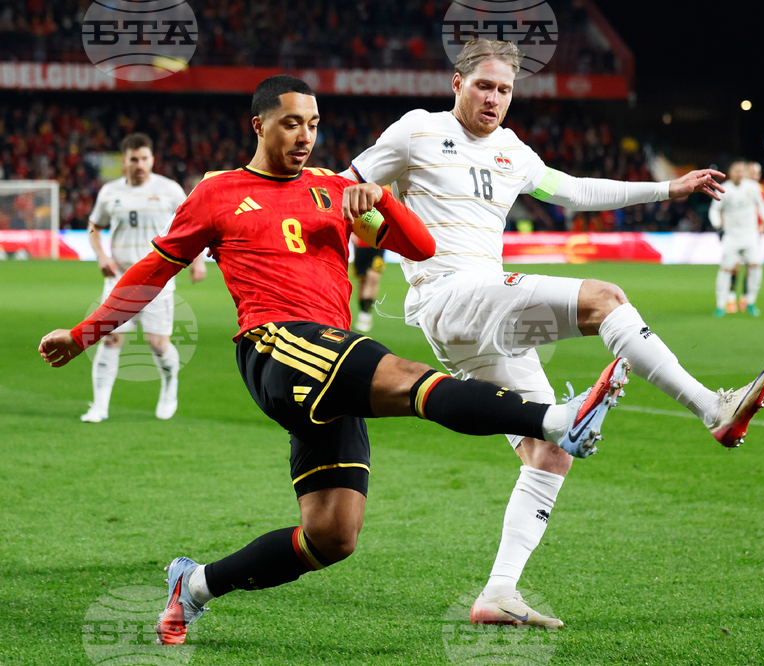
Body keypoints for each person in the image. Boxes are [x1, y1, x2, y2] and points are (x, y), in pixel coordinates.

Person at [38, 75, 629, 645]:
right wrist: (86, 332)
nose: (305, 137)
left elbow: (419, 247)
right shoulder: (216, 193)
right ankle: (556, 420)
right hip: (277, 345)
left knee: (331, 536)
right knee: (409, 379)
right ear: (259, 125)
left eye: (314, 125)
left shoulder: (331, 187)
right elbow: (153, 270)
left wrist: (381, 205)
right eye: (291, 124)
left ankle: (192, 586)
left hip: (330, 362)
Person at [340, 39, 764, 629]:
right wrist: (360, 196)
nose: (494, 99)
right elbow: (345, 183)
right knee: (605, 299)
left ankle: (498, 592)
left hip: (484, 312)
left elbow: (572, 191)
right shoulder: (416, 130)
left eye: (504, 90)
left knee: (550, 450)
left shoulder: (511, 151)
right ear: (457, 84)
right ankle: (710, 407)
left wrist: (666, 189)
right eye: (484, 86)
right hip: (448, 296)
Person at [81, 133, 206, 422]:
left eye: (145, 158)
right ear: (124, 161)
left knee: (158, 344)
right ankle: (99, 407)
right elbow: (93, 226)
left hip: (157, 279)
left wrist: (199, 261)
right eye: (134, 159)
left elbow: (195, 224)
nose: (140, 164)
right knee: (110, 339)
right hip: (119, 278)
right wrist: (101, 255)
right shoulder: (110, 192)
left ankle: (169, 386)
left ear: (152, 159)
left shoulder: (170, 189)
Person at [709, 159, 764, 318]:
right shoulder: (724, 189)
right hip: (732, 236)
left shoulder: (752, 188)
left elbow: (762, 206)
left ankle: (750, 301)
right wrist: (718, 227)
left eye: (741, 171)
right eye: (735, 171)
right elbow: (714, 210)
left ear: (744, 172)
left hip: (750, 235)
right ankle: (721, 305)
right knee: (726, 270)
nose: (738, 174)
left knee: (755, 267)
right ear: (731, 173)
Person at [351, 230, 385, 333]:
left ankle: (365, 315)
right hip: (360, 245)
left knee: (373, 278)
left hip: (378, 245)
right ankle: (363, 313)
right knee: (362, 280)